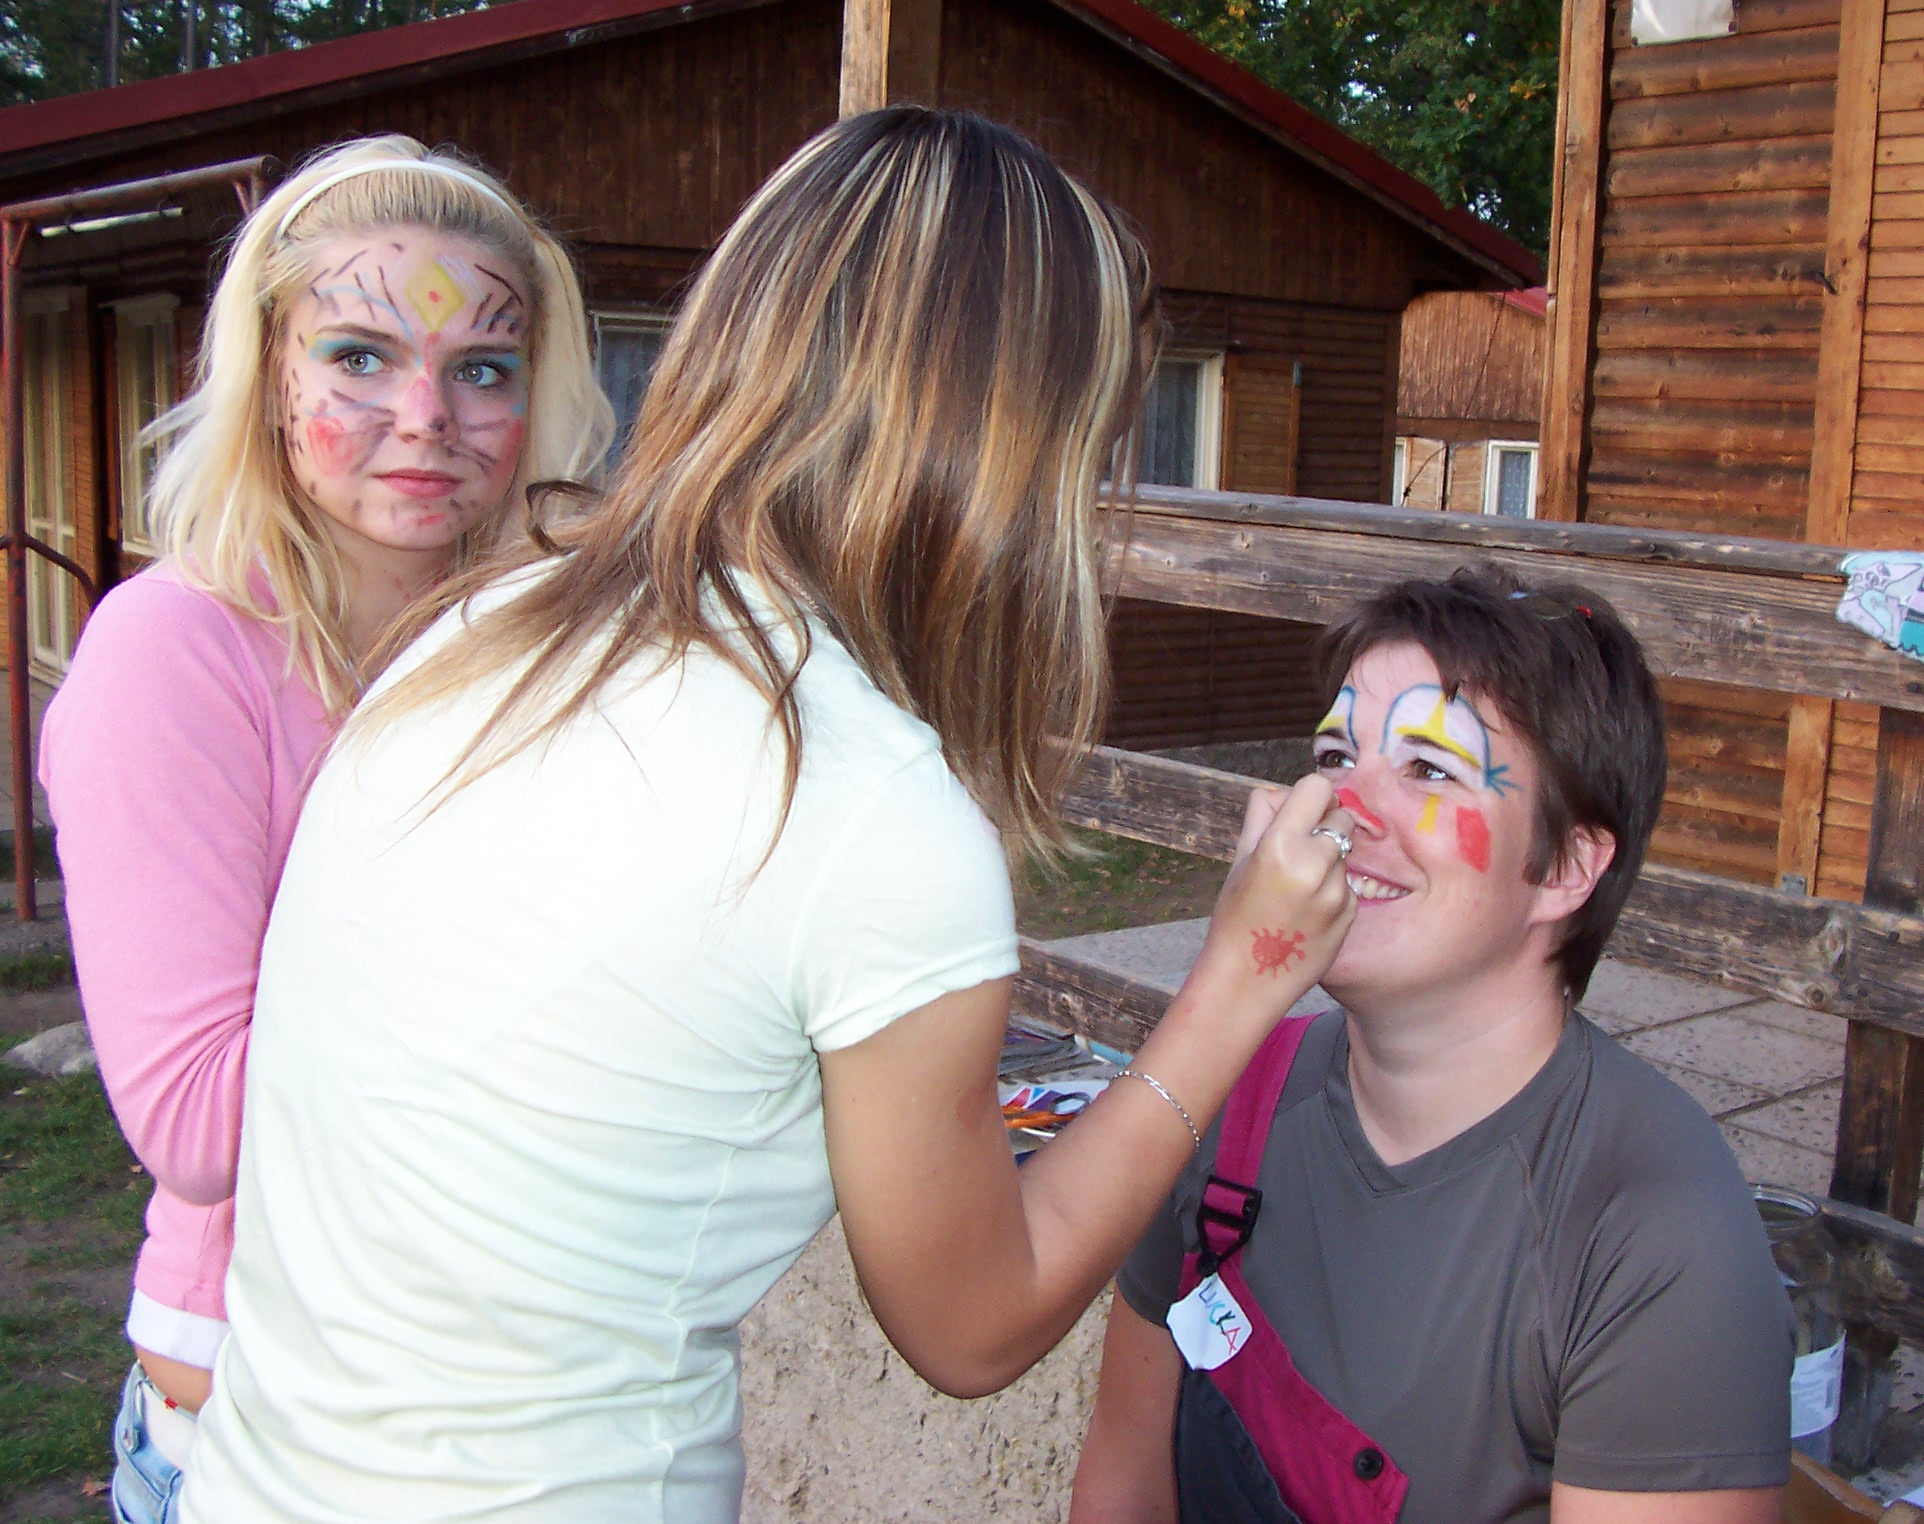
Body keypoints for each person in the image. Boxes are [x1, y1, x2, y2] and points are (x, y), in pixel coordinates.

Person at [175, 108, 1364, 1523]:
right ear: (1016, 452)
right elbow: (972, 1326)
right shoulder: (867, 812)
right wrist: (1245, 974)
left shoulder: (477, 633)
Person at [39, 135, 612, 1523]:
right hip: (263, 1427)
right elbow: (197, 1122)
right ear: (267, 377)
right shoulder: (174, 651)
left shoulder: (528, 647)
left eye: (483, 369)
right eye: (358, 356)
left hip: (520, 1411)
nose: (426, 415)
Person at [1070, 567, 1796, 1524]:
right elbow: (1122, 1478)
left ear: (1566, 867)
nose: (1340, 810)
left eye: (1428, 769)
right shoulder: (1218, 1100)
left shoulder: (1655, 1233)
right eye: (1334, 756)